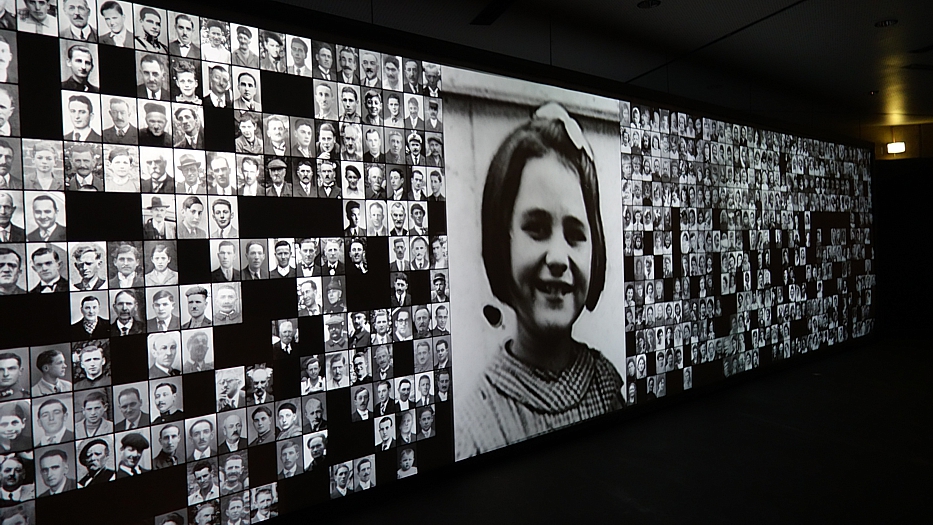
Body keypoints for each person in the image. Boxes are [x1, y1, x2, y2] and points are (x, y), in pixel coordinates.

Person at [457, 103, 624, 457]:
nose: (558, 258)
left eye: (575, 234)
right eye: (536, 228)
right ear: (502, 242)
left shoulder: (606, 386)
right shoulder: (477, 427)